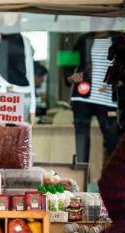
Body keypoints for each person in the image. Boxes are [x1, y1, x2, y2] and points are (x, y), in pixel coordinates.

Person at [64, 18, 121, 164]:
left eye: (105, 18)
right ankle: (82, 178)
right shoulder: (84, 38)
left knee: (113, 141)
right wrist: (71, 77)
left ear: (112, 20)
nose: (102, 21)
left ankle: (114, 180)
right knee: (82, 141)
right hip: (82, 97)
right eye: (98, 19)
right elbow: (68, 62)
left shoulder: (119, 39)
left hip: (108, 99)